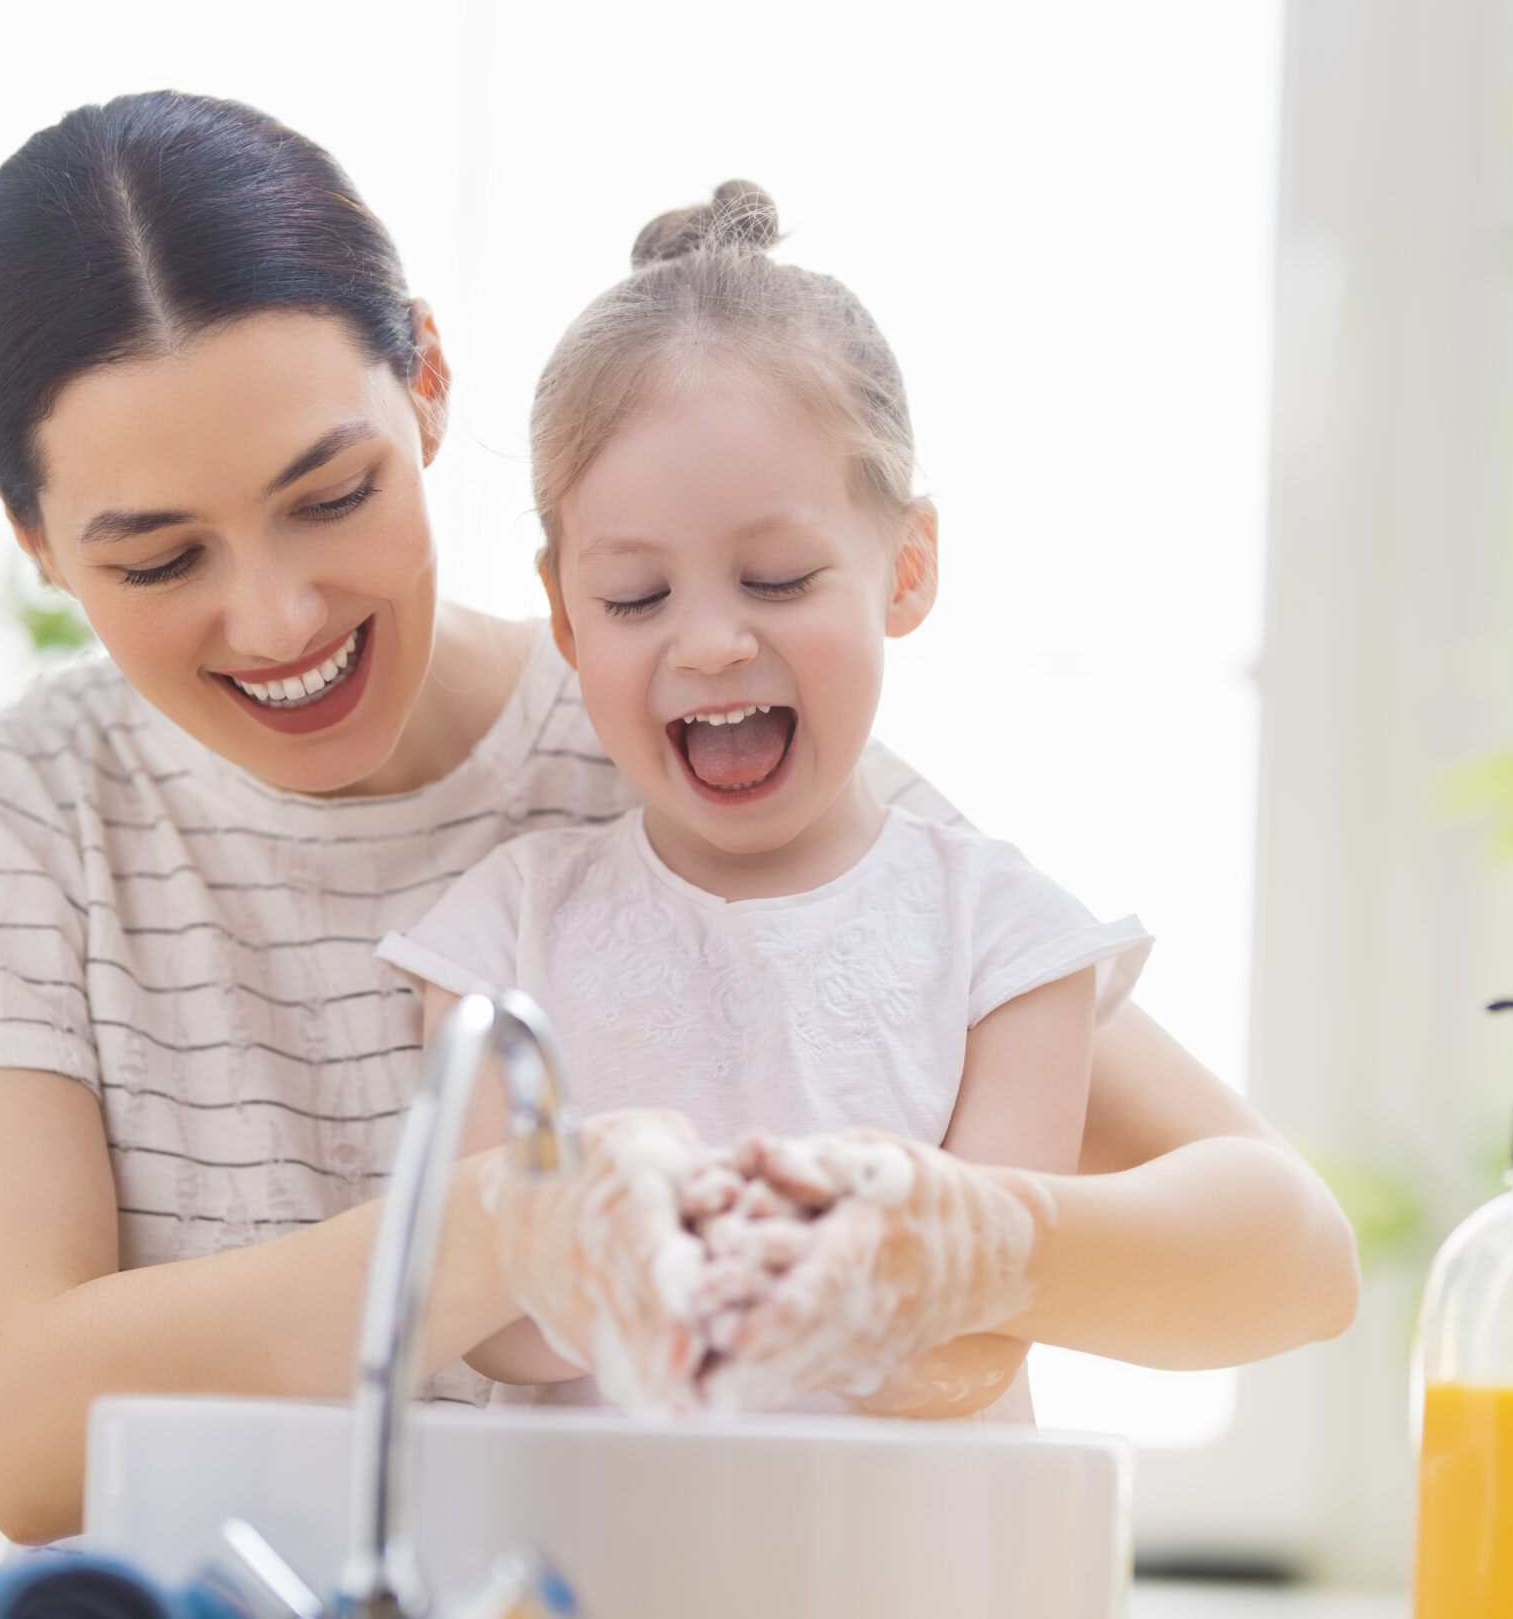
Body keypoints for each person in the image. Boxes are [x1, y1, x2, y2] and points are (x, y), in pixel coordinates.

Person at [0, 91, 1360, 1544]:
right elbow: (30, 1436)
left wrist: (982, 1244)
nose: (275, 617)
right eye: (158, 557)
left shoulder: (678, 737)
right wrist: (508, 1236)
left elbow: (1286, 1250)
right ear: (34, 538)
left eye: (332, 496)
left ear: (431, 386)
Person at [378, 181, 1150, 1418]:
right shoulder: (497, 938)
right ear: (566, 614)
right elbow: (485, 1331)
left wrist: (847, 1266)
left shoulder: (1009, 945)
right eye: (636, 598)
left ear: (906, 569)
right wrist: (601, 1255)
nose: (713, 644)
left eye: (779, 578)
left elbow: (980, 1342)